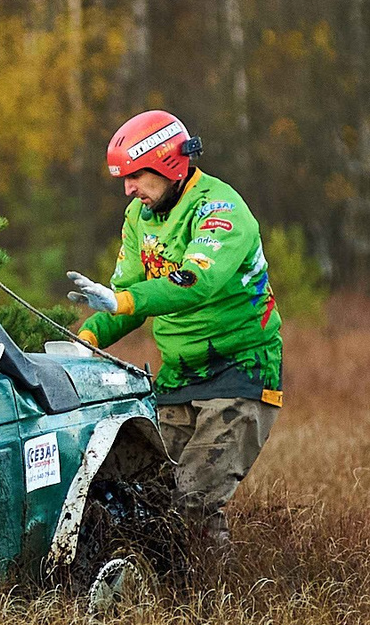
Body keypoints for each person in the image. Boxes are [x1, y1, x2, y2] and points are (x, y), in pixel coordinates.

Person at [66, 109, 282, 562]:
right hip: (179, 377)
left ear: (168, 163)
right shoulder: (138, 216)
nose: (128, 188)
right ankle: (165, 596)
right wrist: (86, 338)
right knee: (144, 500)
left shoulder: (221, 209)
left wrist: (125, 301)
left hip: (241, 372)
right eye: (123, 179)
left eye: (136, 176)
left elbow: (194, 282)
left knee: (194, 501)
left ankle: (216, 601)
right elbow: (122, 299)